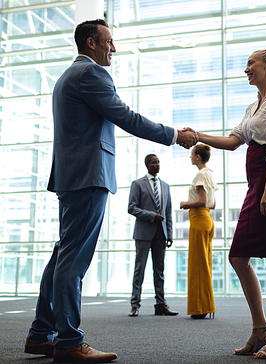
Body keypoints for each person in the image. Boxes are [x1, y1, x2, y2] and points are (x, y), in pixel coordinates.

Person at [24, 19, 196, 363]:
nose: (113, 48)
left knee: (62, 255)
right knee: (72, 260)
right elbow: (126, 117)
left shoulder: (66, 77)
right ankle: (69, 341)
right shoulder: (91, 74)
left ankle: (41, 334)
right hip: (88, 177)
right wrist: (174, 135)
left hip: (72, 176)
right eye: (109, 41)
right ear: (91, 43)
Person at [189, 48, 266, 359]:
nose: (246, 69)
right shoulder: (254, 105)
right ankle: (260, 329)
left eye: (250, 63)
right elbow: (234, 141)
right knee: (238, 256)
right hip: (257, 185)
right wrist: (198, 135)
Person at [128, 154, 178, 317]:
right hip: (143, 233)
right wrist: (152, 216)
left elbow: (168, 212)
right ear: (147, 165)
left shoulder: (165, 186)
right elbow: (132, 208)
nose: (157, 165)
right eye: (153, 162)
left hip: (160, 234)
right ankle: (135, 305)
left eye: (158, 162)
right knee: (139, 270)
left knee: (160, 271)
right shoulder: (137, 184)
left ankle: (160, 305)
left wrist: (169, 234)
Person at [180, 144, 218, 319]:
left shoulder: (201, 174)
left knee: (197, 264)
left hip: (199, 219)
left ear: (197, 157)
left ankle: (200, 308)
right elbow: (212, 204)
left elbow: (202, 201)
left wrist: (185, 203)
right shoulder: (209, 174)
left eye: (191, 154)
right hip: (207, 219)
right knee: (205, 263)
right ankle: (205, 305)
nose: (190, 157)